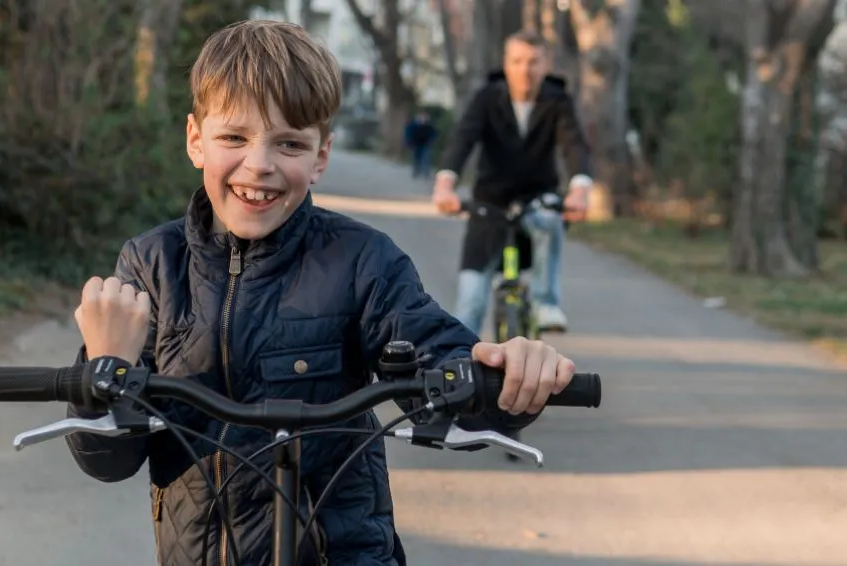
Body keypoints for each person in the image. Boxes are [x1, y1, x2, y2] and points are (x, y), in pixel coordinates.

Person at [64, 20, 580, 566]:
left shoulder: (363, 262)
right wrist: (103, 369)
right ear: (195, 139)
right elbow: (109, 461)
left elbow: (443, 362)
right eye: (233, 137)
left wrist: (506, 373)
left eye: (289, 143)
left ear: (321, 156)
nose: (259, 164)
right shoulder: (152, 265)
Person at [432, 30, 593, 335]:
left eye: (533, 62)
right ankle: (459, 364)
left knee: (549, 218)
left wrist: (580, 189)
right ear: (506, 63)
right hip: (489, 205)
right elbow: (463, 139)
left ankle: (546, 303)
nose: (525, 70)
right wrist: (445, 184)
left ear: (546, 65)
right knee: (470, 304)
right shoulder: (487, 97)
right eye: (517, 61)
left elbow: (575, 146)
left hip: (537, 200)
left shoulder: (557, 100)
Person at [403, 111, 437, 179]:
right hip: (415, 144)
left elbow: (433, 134)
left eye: (424, 118)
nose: (423, 119)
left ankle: (426, 173)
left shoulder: (429, 126)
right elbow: (408, 134)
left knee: (426, 159)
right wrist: (409, 142)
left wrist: (431, 140)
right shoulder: (413, 125)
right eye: (421, 117)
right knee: (416, 159)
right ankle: (416, 171)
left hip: (425, 145)